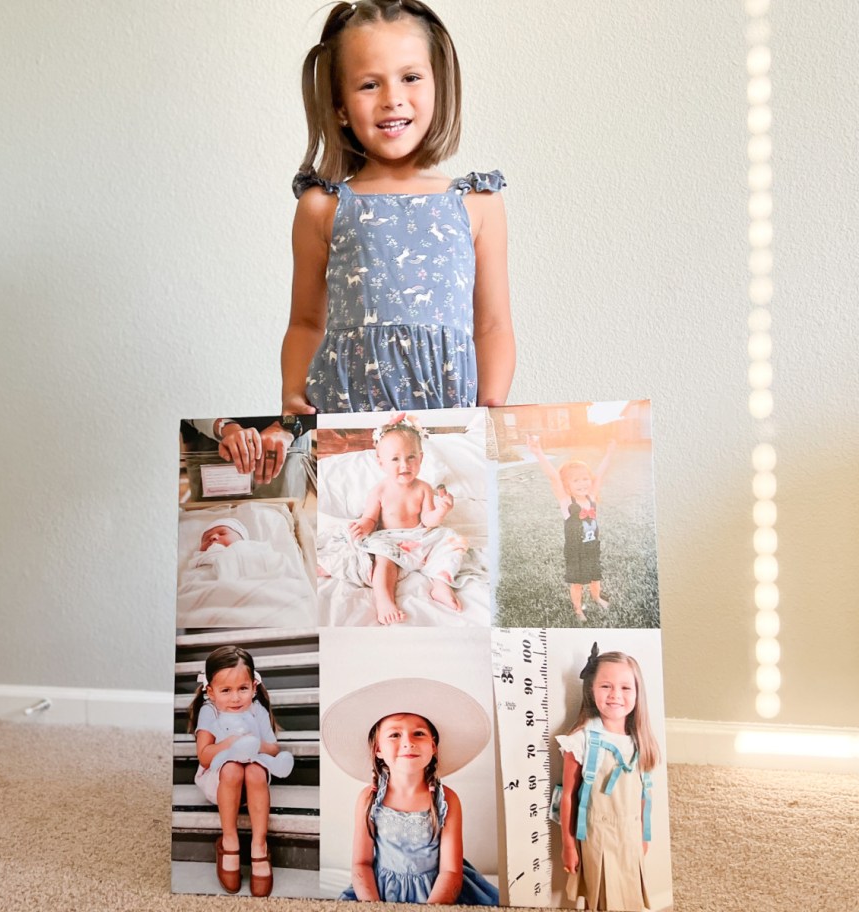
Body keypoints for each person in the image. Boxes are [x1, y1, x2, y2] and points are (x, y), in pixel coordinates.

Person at [281, 0, 514, 414]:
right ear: (339, 106)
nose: (392, 99)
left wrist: (491, 407)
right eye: (370, 84)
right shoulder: (322, 206)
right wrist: (292, 396)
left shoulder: (478, 203)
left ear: (438, 84)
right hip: (344, 417)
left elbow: (493, 324)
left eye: (410, 77)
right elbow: (305, 322)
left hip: (452, 417)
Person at [321, 677, 499, 905]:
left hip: (437, 892)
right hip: (379, 893)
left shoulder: (447, 800)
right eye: (395, 735)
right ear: (378, 749)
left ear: (433, 747)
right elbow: (361, 864)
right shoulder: (370, 798)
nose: (408, 742)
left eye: (419, 734)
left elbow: (450, 871)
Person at [554, 644, 659, 912]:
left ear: (637, 693)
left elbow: (644, 794)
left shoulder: (640, 741)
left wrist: (644, 835)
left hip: (630, 834)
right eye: (606, 686)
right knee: (600, 897)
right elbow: (567, 795)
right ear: (591, 689)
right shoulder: (580, 741)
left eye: (625, 688)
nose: (615, 695)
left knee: (628, 893)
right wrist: (568, 845)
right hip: (596, 834)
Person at [187, 646, 294, 896]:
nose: (236, 698)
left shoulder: (256, 709)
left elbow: (273, 748)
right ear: (210, 692)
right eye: (226, 690)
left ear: (253, 687)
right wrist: (231, 744)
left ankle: (259, 846)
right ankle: (229, 841)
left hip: (253, 782)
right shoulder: (209, 711)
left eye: (242, 689)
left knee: (255, 771)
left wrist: (253, 745)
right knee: (234, 768)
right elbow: (204, 756)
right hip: (220, 779)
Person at [349, 413, 468, 624]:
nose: (404, 465)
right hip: (390, 540)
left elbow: (429, 520)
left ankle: (440, 586)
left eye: (411, 457)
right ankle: (384, 601)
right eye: (395, 459)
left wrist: (441, 511)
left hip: (420, 537)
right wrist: (364, 527)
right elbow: (370, 518)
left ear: (420, 458)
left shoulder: (423, 488)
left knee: (452, 540)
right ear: (381, 463)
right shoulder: (380, 490)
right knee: (382, 559)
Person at [527, 436, 616, 621]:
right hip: (576, 553)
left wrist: (609, 453)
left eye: (585, 479)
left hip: (592, 549)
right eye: (576, 481)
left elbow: (600, 474)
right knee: (577, 584)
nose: (583, 483)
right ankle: (578, 610)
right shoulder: (567, 502)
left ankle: (597, 597)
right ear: (567, 485)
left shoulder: (591, 497)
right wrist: (538, 452)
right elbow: (553, 477)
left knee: (595, 578)